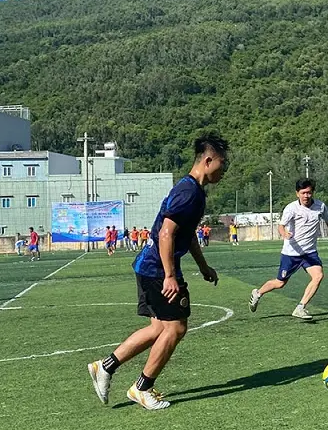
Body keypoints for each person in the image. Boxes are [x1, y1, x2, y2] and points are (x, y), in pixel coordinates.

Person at [87, 134, 228, 410]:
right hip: (157, 269)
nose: (224, 171)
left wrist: (203, 266)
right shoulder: (188, 192)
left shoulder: (195, 192)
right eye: (223, 164)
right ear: (208, 160)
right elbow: (166, 233)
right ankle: (142, 388)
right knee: (176, 327)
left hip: (150, 266)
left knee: (158, 328)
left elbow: (187, 235)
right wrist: (170, 275)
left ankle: (105, 367)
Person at [248, 178, 328, 320]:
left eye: (309, 192)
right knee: (280, 283)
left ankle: (300, 307)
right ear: (297, 193)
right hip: (291, 253)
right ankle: (257, 293)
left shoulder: (320, 206)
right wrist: (284, 234)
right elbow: (281, 226)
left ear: (313, 193)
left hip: (309, 253)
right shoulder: (291, 208)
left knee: (318, 276)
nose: (306, 196)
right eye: (303, 193)